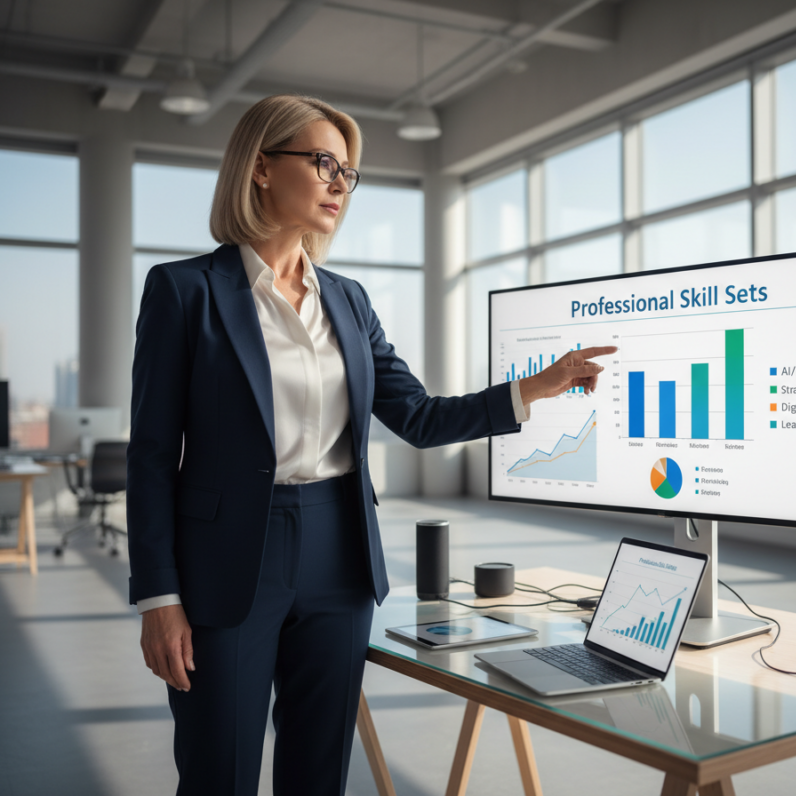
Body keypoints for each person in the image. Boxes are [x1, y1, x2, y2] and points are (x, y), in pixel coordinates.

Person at [126, 93, 615, 796]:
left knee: (319, 771)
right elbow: (148, 456)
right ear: (261, 168)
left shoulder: (348, 299)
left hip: (338, 554)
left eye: (348, 172)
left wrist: (530, 390)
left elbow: (415, 415)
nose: (338, 183)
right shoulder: (184, 291)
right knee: (217, 772)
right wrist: (158, 599)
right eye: (323, 161)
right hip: (227, 559)